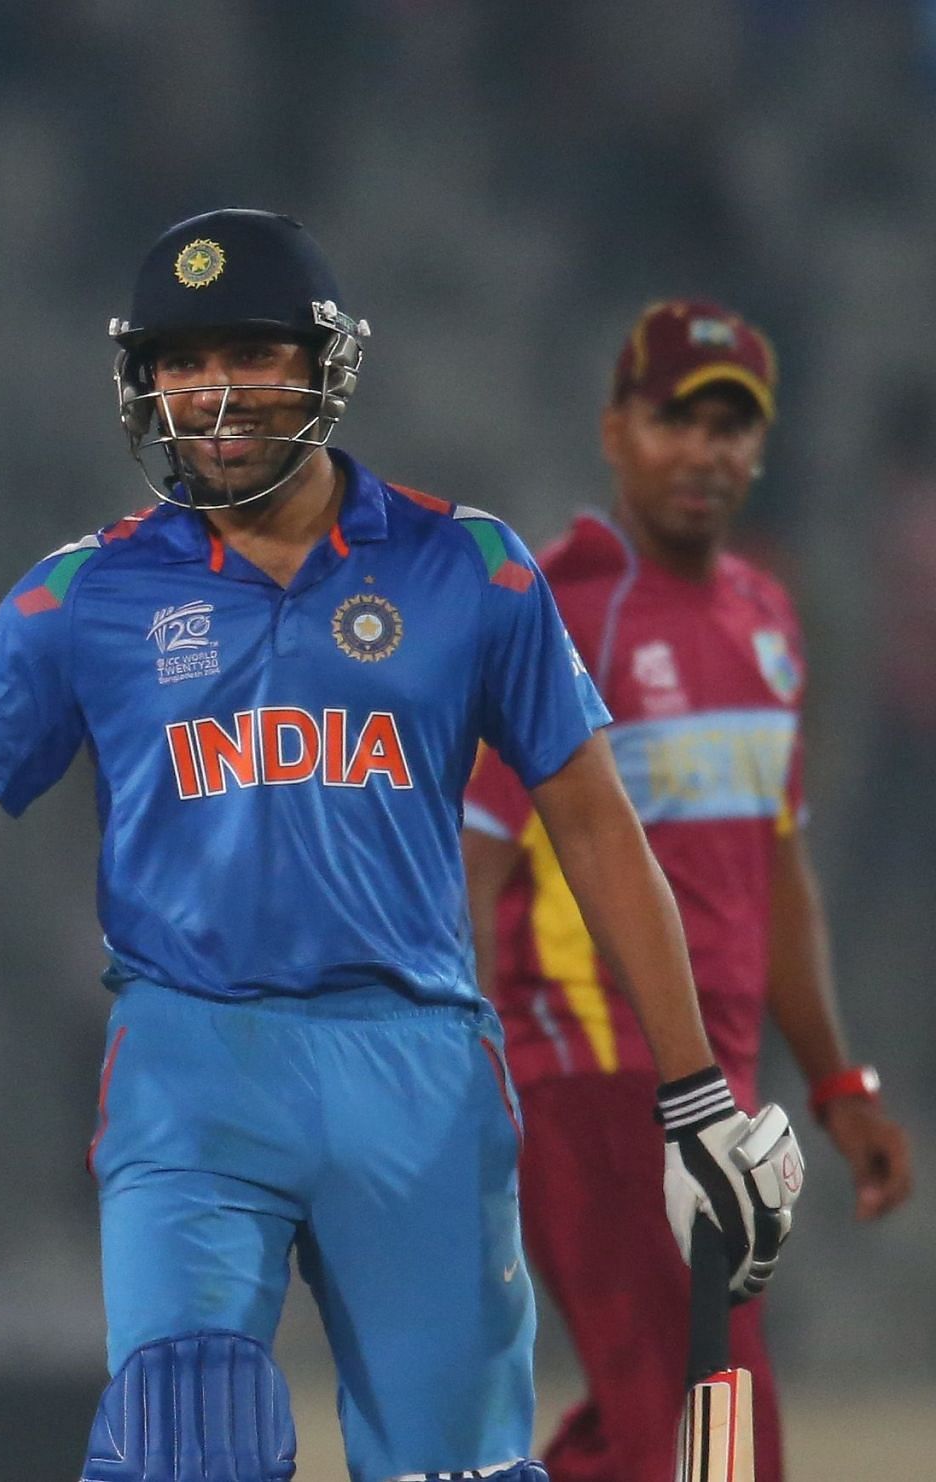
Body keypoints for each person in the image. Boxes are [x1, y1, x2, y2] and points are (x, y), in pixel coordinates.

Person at [0, 209, 808, 1482]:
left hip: (416, 1067)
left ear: (323, 366)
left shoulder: (469, 566)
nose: (213, 392)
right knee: (182, 1439)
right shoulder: (79, 596)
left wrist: (695, 1094)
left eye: (249, 355)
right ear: (143, 379)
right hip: (191, 1068)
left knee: (458, 1471)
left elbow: (594, 829)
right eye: (182, 360)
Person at [462, 299, 912, 1482]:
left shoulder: (766, 617)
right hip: (594, 1078)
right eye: (677, 419)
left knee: (656, 1433)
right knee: (714, 1442)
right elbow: (476, 858)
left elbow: (778, 871)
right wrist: (447, 1084)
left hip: (724, 1103)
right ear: (614, 429)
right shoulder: (558, 612)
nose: (706, 452)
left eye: (732, 426)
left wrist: (837, 1082)